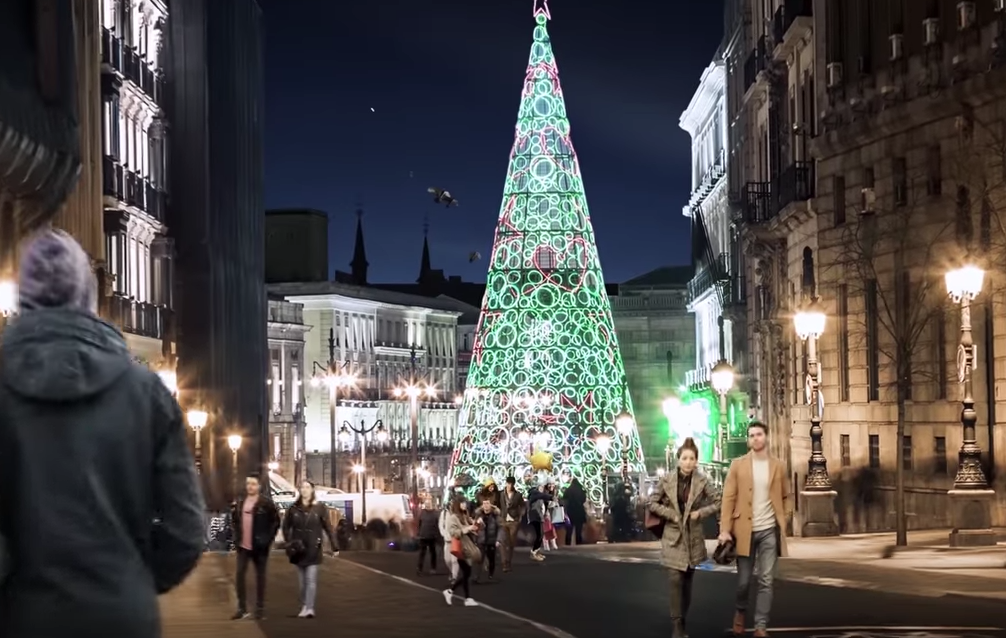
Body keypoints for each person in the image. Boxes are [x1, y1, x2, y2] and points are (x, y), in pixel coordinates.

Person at [0, 229, 205, 638]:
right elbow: (186, 529)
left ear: (24, 299)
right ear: (89, 298)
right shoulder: (145, 392)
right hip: (121, 615)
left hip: (23, 617)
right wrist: (133, 581)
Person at [718, 421, 790, 638]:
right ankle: (740, 611)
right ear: (748, 440)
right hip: (744, 531)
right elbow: (728, 498)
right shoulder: (737, 465)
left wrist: (784, 517)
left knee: (767, 579)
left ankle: (760, 626)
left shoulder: (778, 465)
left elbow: (786, 496)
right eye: (751, 435)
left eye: (759, 434)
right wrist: (725, 529)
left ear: (766, 437)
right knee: (744, 582)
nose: (755, 438)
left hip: (769, 529)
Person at [648, 437, 721, 638]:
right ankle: (677, 624)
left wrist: (701, 513)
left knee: (687, 583)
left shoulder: (702, 481)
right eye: (684, 458)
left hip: (693, 537)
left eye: (692, 458)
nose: (688, 462)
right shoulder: (667, 480)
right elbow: (652, 503)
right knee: (675, 580)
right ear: (678, 459)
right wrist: (670, 514)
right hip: (673, 536)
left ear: (696, 461)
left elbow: (718, 501)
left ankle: (683, 618)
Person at [281, 481, 337, 619]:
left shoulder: (320, 508)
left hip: (313, 547)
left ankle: (310, 608)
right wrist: (289, 542)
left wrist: (334, 546)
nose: (304, 490)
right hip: (298, 549)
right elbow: (285, 526)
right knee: (302, 582)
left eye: (307, 487)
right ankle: (304, 605)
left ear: (312, 490)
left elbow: (328, 527)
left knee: (311, 580)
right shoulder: (293, 508)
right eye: (302, 487)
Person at [231, 474, 281, 620]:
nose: (250, 487)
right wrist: (237, 538)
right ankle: (242, 609)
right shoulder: (241, 503)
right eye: (248, 484)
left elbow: (276, 522)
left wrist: (267, 539)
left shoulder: (266, 503)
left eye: (253, 484)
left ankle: (260, 609)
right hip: (243, 547)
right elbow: (235, 521)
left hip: (260, 547)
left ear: (259, 486)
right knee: (239, 575)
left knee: (260, 577)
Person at [442, 498, 479, 606]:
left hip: (468, 546)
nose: (465, 505)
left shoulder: (465, 516)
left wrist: (476, 525)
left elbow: (472, 529)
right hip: (461, 547)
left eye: (465, 503)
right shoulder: (453, 518)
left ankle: (451, 592)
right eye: (462, 503)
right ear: (457, 505)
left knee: (467, 573)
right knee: (467, 573)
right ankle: (465, 598)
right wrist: (466, 529)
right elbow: (454, 533)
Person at [471, 497, 502, 582]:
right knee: (479, 559)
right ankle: (476, 577)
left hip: (492, 541)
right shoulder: (479, 515)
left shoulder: (495, 515)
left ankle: (491, 574)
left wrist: (498, 540)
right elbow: (474, 528)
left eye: (487, 503)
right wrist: (477, 522)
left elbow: (500, 528)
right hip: (481, 540)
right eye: (484, 504)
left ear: (490, 505)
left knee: (491, 559)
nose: (486, 505)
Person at [499, 476, 525, 572]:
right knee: (502, 542)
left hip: (514, 521)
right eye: (508, 483)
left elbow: (523, 506)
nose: (509, 485)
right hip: (504, 520)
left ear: (514, 484)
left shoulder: (518, 495)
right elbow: (498, 505)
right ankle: (504, 563)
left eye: (511, 484)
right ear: (506, 483)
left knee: (510, 543)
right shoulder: (501, 494)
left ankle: (508, 562)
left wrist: (520, 516)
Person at [525, 479, 553, 561]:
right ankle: (533, 552)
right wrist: (551, 497)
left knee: (540, 535)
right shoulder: (534, 493)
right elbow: (543, 496)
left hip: (538, 516)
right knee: (540, 535)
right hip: (535, 517)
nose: (542, 488)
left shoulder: (537, 494)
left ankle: (536, 551)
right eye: (541, 487)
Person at [416, 497, 440, 575]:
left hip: (432, 536)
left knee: (432, 553)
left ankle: (433, 568)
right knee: (423, 553)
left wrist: (437, 535)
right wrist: (419, 533)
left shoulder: (435, 513)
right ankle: (419, 568)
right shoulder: (422, 513)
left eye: (429, 504)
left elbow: (438, 525)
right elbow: (419, 524)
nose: (428, 505)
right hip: (424, 536)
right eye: (426, 504)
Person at [439, 500, 460, 583]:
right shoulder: (444, 513)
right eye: (450, 504)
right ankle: (452, 572)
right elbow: (441, 524)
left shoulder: (458, 514)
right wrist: (443, 533)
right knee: (447, 560)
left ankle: (454, 577)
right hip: (447, 540)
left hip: (455, 539)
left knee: (454, 560)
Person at [562, 477, 587, 545]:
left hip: (571, 511)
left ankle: (567, 543)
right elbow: (584, 499)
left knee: (569, 530)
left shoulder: (568, 490)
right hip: (579, 511)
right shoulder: (581, 490)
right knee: (579, 530)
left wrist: (565, 510)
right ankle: (579, 543)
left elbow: (564, 500)